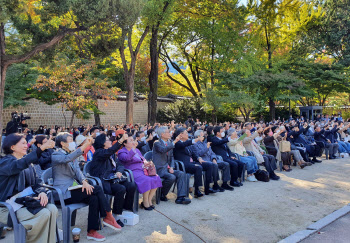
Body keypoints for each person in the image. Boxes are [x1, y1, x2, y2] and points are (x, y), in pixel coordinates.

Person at [52, 133, 121, 242]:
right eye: (70, 140)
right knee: (97, 189)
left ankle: (92, 231)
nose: (72, 143)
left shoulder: (70, 153)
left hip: (73, 188)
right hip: (63, 192)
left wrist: (84, 181)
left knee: (93, 198)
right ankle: (108, 215)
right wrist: (85, 145)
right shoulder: (56, 155)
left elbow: (78, 171)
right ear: (62, 143)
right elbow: (67, 159)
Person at [0, 133, 58, 243]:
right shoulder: (5, 163)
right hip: (6, 208)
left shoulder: (28, 164)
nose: (26, 145)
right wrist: (41, 148)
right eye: (23, 143)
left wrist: (42, 192)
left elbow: (38, 183)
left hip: (25, 203)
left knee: (52, 209)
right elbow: (19, 165)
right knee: (43, 214)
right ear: (12, 147)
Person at [90, 133, 137, 224]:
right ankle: (115, 216)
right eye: (108, 140)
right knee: (121, 189)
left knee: (131, 185)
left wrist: (119, 171)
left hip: (113, 179)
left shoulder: (111, 154)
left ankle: (126, 209)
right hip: (104, 181)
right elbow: (110, 151)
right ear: (102, 143)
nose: (110, 141)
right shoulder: (99, 153)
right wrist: (120, 140)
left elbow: (119, 164)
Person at [118, 137, 162, 211]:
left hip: (142, 170)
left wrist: (147, 163)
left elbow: (143, 159)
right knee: (146, 180)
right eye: (130, 141)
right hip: (133, 172)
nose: (133, 142)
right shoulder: (122, 152)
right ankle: (145, 202)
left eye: (133, 140)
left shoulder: (137, 150)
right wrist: (133, 149)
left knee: (156, 178)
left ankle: (149, 200)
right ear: (125, 143)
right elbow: (127, 158)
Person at [152, 126, 191, 204]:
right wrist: (174, 142)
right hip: (159, 169)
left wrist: (172, 167)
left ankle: (180, 197)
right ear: (162, 134)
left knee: (181, 174)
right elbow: (163, 150)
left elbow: (172, 157)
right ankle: (162, 194)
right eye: (168, 132)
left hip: (167, 168)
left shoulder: (169, 143)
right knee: (172, 177)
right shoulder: (157, 143)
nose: (170, 133)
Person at [173, 127, 214, 197]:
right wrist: (197, 139)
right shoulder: (177, 143)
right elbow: (183, 145)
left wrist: (199, 158)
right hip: (183, 164)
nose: (188, 135)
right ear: (181, 135)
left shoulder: (187, 143)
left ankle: (207, 188)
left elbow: (193, 153)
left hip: (191, 162)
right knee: (198, 168)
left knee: (209, 165)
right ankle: (197, 190)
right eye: (186, 133)